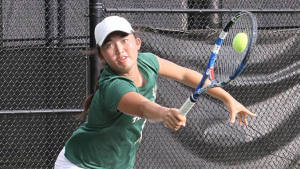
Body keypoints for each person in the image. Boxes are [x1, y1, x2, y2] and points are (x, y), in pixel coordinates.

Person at [54, 16, 257, 169]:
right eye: (109, 45)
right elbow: (143, 107)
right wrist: (164, 113)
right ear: (102, 56)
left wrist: (227, 98)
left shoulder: (148, 62)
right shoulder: (114, 86)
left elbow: (186, 75)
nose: (119, 49)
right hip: (80, 164)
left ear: (137, 43)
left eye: (124, 40)